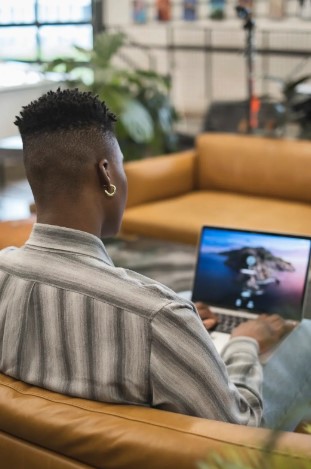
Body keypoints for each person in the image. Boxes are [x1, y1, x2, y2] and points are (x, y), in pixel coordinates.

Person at [0, 88, 310, 430]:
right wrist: (245, 342)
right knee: (305, 333)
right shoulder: (157, 317)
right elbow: (238, 428)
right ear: (106, 174)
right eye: (121, 165)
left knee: (190, 302)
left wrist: (185, 321)